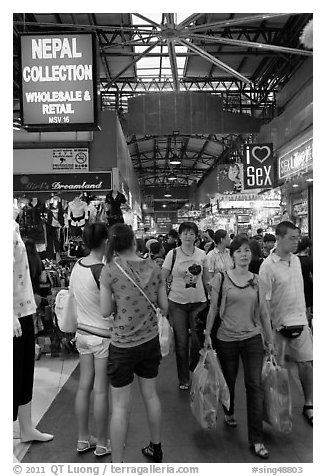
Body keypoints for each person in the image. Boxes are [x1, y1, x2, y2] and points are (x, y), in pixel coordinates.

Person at [100, 224, 168, 463]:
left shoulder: (109, 270)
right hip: (149, 342)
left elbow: (105, 311)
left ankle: (117, 462)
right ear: (134, 242)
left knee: (119, 406)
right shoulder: (154, 267)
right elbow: (165, 307)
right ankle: (156, 448)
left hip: (122, 346)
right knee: (151, 396)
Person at [204, 234, 274, 459]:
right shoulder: (221, 279)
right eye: (239, 251)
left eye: (247, 251)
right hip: (226, 339)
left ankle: (257, 438)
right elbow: (213, 308)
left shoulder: (258, 280)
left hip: (253, 337)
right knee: (230, 380)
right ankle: (229, 408)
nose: (244, 254)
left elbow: (264, 313)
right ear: (232, 255)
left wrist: (269, 339)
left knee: (255, 385)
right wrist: (207, 334)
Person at [259, 221, 313, 426]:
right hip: (277, 326)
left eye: (297, 238)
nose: (296, 242)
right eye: (292, 238)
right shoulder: (267, 266)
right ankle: (275, 409)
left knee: (307, 364)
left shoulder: (297, 261)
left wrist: (306, 313)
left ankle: (309, 404)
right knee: (276, 370)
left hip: (300, 321)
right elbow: (264, 303)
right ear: (279, 238)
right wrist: (268, 333)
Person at [69, 223, 112, 457]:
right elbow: (108, 308)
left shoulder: (77, 266)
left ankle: (83, 439)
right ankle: (103, 442)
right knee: (101, 390)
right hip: (102, 337)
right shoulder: (102, 270)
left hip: (82, 335)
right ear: (105, 242)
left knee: (84, 386)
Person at [13, 207, 53, 445]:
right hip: (12, 313)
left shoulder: (13, 226)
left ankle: (26, 427)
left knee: (24, 371)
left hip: (23, 308)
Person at [162, 222, 210, 391]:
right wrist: (161, 301)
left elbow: (206, 279)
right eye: (185, 233)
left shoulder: (203, 254)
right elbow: (162, 278)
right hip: (177, 303)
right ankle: (184, 378)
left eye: (192, 233)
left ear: (196, 236)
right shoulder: (172, 254)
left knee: (198, 341)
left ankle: (195, 370)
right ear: (180, 236)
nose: (189, 236)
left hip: (199, 302)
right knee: (182, 343)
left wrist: (212, 297)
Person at [295, 237, 313, 325]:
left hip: (295, 289)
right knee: (307, 310)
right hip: (308, 289)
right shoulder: (310, 260)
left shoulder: (293, 260)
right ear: (307, 248)